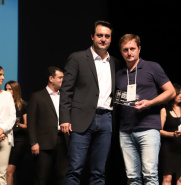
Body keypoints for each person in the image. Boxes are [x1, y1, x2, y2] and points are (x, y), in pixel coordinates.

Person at [59, 20, 119, 185]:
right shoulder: (78, 58)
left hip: (106, 119)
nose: (103, 39)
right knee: (74, 170)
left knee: (99, 173)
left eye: (107, 36)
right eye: (99, 35)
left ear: (111, 39)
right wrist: (64, 118)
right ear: (92, 37)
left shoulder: (114, 62)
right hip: (81, 119)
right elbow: (66, 90)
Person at [115, 34, 176, 185]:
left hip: (148, 128)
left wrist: (150, 103)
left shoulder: (152, 67)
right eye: (125, 50)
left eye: (132, 49)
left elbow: (171, 91)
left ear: (139, 49)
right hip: (126, 131)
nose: (129, 53)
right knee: (132, 177)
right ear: (121, 51)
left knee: (150, 175)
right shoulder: (119, 74)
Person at [27, 66, 68, 185]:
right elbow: (31, 122)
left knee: (62, 176)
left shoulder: (65, 97)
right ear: (51, 78)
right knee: (42, 177)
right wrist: (34, 142)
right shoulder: (37, 96)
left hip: (63, 140)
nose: (62, 80)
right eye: (60, 77)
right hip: (44, 143)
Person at [0, 65, 16, 185]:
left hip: (5, 136)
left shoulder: (7, 95)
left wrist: (2, 129)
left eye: (3, 74)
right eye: (0, 74)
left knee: (2, 174)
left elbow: (12, 117)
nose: (3, 77)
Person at [5, 81, 28, 185]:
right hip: (6, 140)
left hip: (19, 140)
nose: (7, 91)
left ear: (15, 90)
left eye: (10, 89)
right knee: (6, 171)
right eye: (6, 89)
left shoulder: (22, 105)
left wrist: (17, 123)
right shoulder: (4, 105)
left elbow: (27, 126)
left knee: (9, 171)